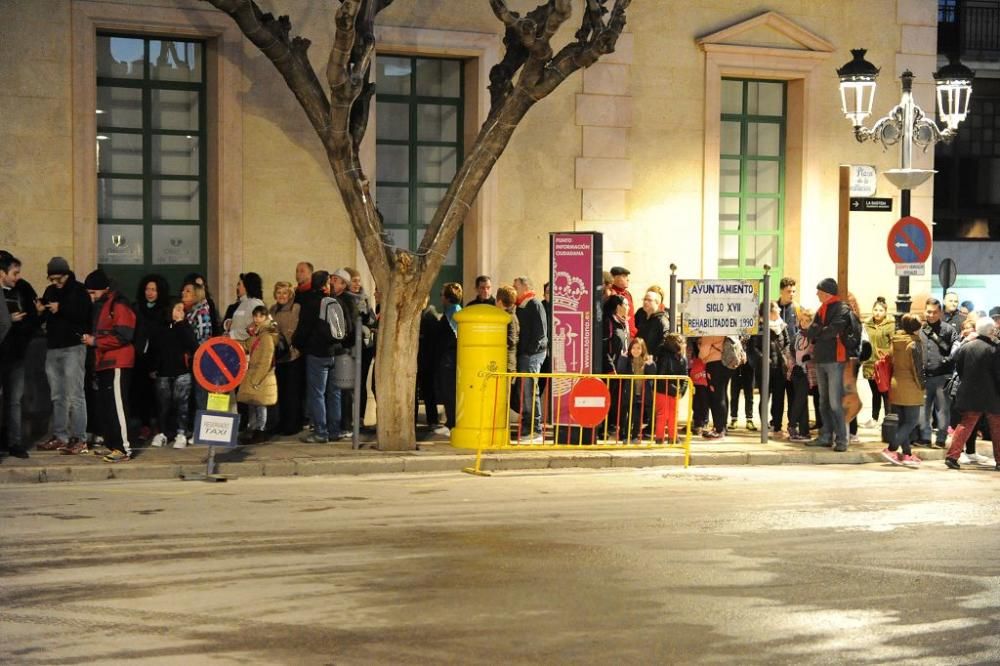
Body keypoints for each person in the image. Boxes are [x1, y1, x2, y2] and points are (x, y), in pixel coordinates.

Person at [35, 257, 91, 453]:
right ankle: (60, 435)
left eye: (59, 278)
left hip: (73, 347)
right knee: (57, 394)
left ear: (67, 274)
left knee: (75, 394)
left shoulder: (79, 290)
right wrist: (42, 311)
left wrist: (62, 308)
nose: (55, 283)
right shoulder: (50, 291)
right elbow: (47, 317)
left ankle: (79, 438)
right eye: (52, 279)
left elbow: (84, 315)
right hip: (53, 347)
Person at [79, 270, 136, 463]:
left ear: (104, 289)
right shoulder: (104, 305)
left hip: (117, 362)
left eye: (93, 292)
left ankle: (123, 448)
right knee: (108, 407)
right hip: (106, 363)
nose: (91, 296)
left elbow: (124, 335)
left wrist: (95, 341)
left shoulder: (118, 304)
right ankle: (113, 446)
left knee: (117, 406)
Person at [294, 271, 353, 443]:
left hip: (317, 354)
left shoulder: (311, 303)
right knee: (334, 394)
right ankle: (334, 431)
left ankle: (321, 431)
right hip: (337, 352)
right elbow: (347, 328)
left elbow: (303, 330)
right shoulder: (338, 302)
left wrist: (299, 344)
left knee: (317, 393)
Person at [944, 317, 1000, 471]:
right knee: (997, 428)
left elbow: (960, 369)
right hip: (992, 395)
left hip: (969, 393)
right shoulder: (995, 349)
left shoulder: (966, 347)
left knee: (964, 425)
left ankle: (952, 456)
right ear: (990, 331)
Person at [0, 253, 40, 458]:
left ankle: (14, 443)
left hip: (16, 355)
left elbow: (33, 318)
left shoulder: (22, 289)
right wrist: (9, 319)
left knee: (14, 401)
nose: (17, 277)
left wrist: (24, 326)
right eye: (14, 273)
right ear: (2, 273)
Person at [805, 277, 850, 451]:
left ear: (826, 293)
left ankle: (841, 440)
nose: (816, 294)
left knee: (835, 402)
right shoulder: (822, 309)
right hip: (821, 358)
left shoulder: (842, 308)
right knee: (823, 401)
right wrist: (819, 331)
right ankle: (825, 436)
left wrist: (819, 331)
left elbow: (833, 331)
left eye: (819, 291)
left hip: (835, 360)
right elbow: (811, 332)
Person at [149, 302, 197, 449]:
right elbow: (154, 349)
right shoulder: (160, 328)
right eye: (177, 309)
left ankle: (181, 433)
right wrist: (153, 367)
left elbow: (193, 345)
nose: (181, 312)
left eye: (183, 310)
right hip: (163, 373)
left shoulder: (184, 327)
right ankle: (162, 433)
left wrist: (181, 324)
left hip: (182, 372)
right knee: (163, 405)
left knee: (182, 404)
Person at [880, 314, 926, 467]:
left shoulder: (896, 341)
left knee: (903, 423)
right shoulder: (914, 344)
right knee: (911, 421)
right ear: (916, 328)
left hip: (896, 384)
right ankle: (891, 449)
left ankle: (906, 454)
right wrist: (922, 386)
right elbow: (917, 369)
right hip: (910, 387)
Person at [131, 274, 170, 442]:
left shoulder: (165, 310)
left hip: (158, 358)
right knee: (141, 394)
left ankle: (160, 426)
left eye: (153, 289)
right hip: (140, 358)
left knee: (159, 396)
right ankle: (144, 426)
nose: (150, 292)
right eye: (147, 289)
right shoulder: (137, 308)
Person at [917, 297, 957, 448]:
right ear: (924, 311)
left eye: (934, 312)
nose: (931, 315)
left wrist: (948, 359)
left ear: (940, 312)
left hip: (943, 376)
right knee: (924, 409)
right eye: (928, 312)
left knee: (943, 410)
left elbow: (956, 346)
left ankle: (941, 438)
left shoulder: (948, 330)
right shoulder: (920, 329)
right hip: (925, 376)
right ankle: (925, 437)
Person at [513, 276, 548, 442]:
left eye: (516, 286)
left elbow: (540, 333)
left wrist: (529, 351)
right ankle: (527, 425)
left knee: (530, 392)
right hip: (524, 354)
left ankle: (535, 429)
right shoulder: (519, 306)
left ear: (525, 286)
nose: (514, 289)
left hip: (532, 355)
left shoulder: (534, 304)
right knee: (524, 392)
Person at [237, 305, 278, 444]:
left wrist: (257, 379)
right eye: (255, 316)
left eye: (261, 316)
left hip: (262, 375)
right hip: (255, 373)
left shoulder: (266, 336)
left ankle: (260, 430)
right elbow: (247, 346)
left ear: (266, 317)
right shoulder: (256, 334)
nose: (257, 319)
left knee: (261, 403)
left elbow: (266, 359)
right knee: (252, 402)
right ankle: (252, 428)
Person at [343, 267, 377, 430]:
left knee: (362, 382)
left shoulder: (365, 297)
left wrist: (367, 317)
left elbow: (371, 319)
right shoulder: (344, 299)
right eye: (353, 281)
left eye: (358, 280)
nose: (357, 284)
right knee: (349, 383)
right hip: (352, 345)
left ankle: (361, 417)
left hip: (366, 345)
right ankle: (349, 418)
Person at [755, 300, 792, 438]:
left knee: (779, 398)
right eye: (776, 308)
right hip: (765, 369)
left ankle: (777, 426)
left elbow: (787, 342)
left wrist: (787, 357)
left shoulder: (782, 326)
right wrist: (764, 360)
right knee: (765, 398)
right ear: (768, 312)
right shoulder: (759, 328)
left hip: (780, 368)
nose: (779, 311)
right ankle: (765, 426)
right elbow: (753, 349)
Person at [270, 281, 303, 436]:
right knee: (281, 392)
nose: (281, 296)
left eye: (284, 293)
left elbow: (295, 329)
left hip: (292, 355)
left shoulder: (296, 308)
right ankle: (281, 422)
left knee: (292, 393)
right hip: (278, 356)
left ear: (290, 294)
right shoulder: (272, 309)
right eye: (279, 293)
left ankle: (293, 424)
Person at [433, 282, 462, 436]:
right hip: (449, 358)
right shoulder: (453, 311)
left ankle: (452, 423)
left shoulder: (453, 313)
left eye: (442, 295)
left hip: (449, 359)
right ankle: (450, 421)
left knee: (449, 391)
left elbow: (450, 337)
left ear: (447, 298)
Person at [861, 297, 894, 427]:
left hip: (883, 364)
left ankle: (888, 419)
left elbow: (892, 343)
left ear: (885, 312)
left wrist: (888, 356)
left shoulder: (890, 325)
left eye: (881, 310)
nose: (877, 312)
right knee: (875, 393)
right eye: (875, 310)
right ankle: (874, 419)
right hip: (870, 363)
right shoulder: (867, 325)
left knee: (885, 392)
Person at [615, 337, 656, 442]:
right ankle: (624, 435)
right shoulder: (627, 360)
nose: (636, 350)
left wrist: (651, 364)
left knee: (637, 417)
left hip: (641, 394)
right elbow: (620, 371)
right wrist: (623, 358)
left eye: (638, 348)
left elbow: (652, 374)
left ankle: (634, 436)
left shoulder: (647, 361)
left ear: (643, 349)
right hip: (629, 393)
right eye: (633, 348)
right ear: (630, 349)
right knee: (629, 415)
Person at [788, 308, 816, 443]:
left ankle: (792, 424)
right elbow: (790, 350)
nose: (804, 323)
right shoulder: (797, 336)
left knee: (799, 399)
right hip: (797, 371)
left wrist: (809, 357)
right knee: (802, 401)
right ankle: (804, 431)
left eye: (807, 321)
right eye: (802, 320)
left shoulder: (814, 336)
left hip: (808, 373)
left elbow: (817, 352)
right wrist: (792, 365)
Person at [654, 332, 688, 444]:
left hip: (674, 390)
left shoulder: (683, 358)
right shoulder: (664, 357)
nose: (685, 345)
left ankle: (673, 437)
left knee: (674, 413)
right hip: (662, 390)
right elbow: (661, 376)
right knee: (663, 414)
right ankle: (659, 438)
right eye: (683, 343)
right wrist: (675, 390)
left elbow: (685, 377)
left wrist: (681, 392)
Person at [697, 335, 729, 439]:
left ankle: (718, 429)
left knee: (716, 397)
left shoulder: (711, 330)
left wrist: (701, 356)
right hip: (727, 362)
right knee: (723, 394)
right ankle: (723, 427)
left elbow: (704, 351)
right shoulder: (727, 327)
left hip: (714, 363)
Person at [416, 297, 441, 427]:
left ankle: (432, 420)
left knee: (428, 392)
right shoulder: (423, 316)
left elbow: (433, 343)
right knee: (423, 392)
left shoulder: (430, 318)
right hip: (420, 360)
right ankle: (431, 420)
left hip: (426, 361)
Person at [225, 273, 265, 343]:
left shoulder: (254, 303)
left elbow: (256, 327)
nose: (237, 287)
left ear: (247, 286)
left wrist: (232, 335)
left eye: (239, 284)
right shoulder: (243, 303)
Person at [635, 287, 670, 362]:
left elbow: (664, 343)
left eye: (649, 300)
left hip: (653, 363)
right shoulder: (642, 316)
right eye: (644, 299)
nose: (645, 302)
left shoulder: (662, 321)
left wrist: (652, 357)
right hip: (640, 360)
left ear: (657, 303)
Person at [607, 266, 637, 337]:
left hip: (631, 335)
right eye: (624, 276)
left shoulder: (628, 294)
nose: (627, 279)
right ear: (614, 278)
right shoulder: (610, 294)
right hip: (618, 336)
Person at [496, 285, 519, 373]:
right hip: (506, 362)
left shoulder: (510, 318)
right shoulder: (507, 316)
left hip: (508, 364)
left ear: (499, 302)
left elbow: (511, 340)